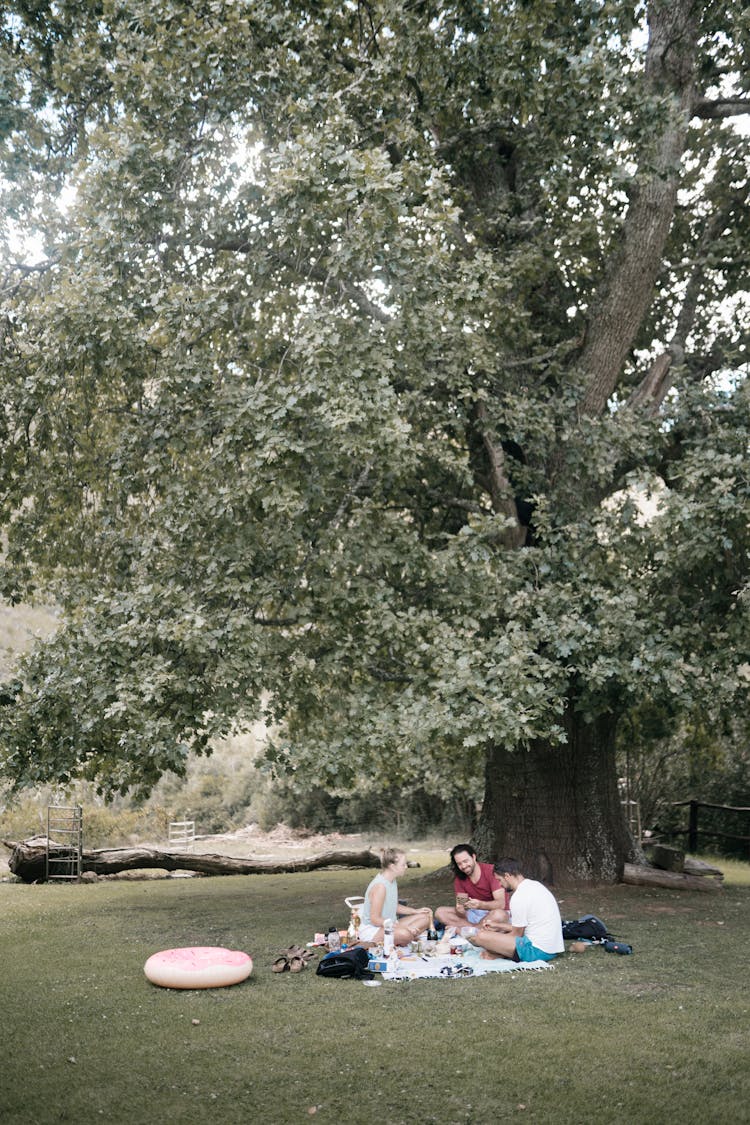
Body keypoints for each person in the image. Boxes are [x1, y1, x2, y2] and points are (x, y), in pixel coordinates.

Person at [467, 857, 564, 963]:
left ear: (507, 876)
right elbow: (524, 928)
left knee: (481, 937)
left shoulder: (519, 897)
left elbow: (517, 935)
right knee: (495, 934)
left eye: (499, 880)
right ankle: (498, 953)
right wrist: (498, 926)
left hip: (536, 950)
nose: (500, 885)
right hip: (551, 948)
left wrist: (492, 941)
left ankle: (498, 954)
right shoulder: (535, 885)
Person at [358, 847, 434, 945]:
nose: (406, 867)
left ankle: (405, 936)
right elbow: (375, 920)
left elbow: (394, 905)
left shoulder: (392, 881)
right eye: (403, 864)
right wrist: (403, 928)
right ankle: (406, 936)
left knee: (426, 917)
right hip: (373, 930)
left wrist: (415, 911)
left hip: (391, 925)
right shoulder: (380, 886)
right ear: (392, 866)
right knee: (405, 935)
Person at [434, 844, 509, 931]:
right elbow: (462, 906)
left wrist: (480, 905)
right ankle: (475, 930)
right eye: (459, 864)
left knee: (500, 915)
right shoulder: (460, 878)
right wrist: (460, 910)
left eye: (465, 861)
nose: (463, 866)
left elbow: (501, 904)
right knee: (440, 912)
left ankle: (469, 930)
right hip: (474, 914)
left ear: (473, 857)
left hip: (493, 913)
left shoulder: (491, 871)